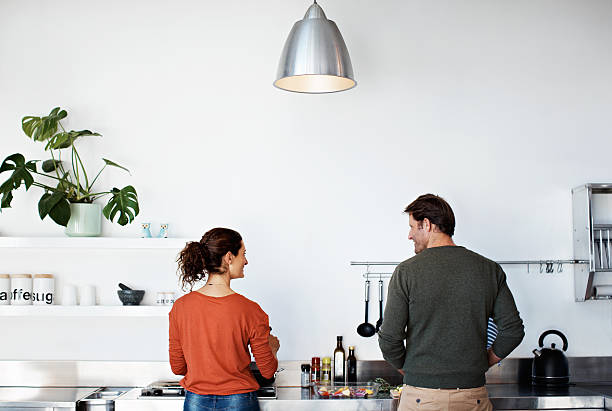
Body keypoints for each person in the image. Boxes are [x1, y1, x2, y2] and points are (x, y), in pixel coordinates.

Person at [378, 194, 524, 411]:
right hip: (473, 397)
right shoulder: (488, 269)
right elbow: (512, 331)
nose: (409, 235)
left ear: (426, 224)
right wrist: (484, 363)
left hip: (421, 399)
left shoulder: (406, 272)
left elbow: (389, 339)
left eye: (412, 227)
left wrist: (411, 370)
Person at [169, 227, 280, 411]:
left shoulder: (180, 308)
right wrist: (273, 349)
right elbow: (267, 372)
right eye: (243, 254)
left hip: (196, 401)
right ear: (229, 258)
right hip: (240, 400)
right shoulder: (250, 310)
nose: (246, 261)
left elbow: (178, 368)